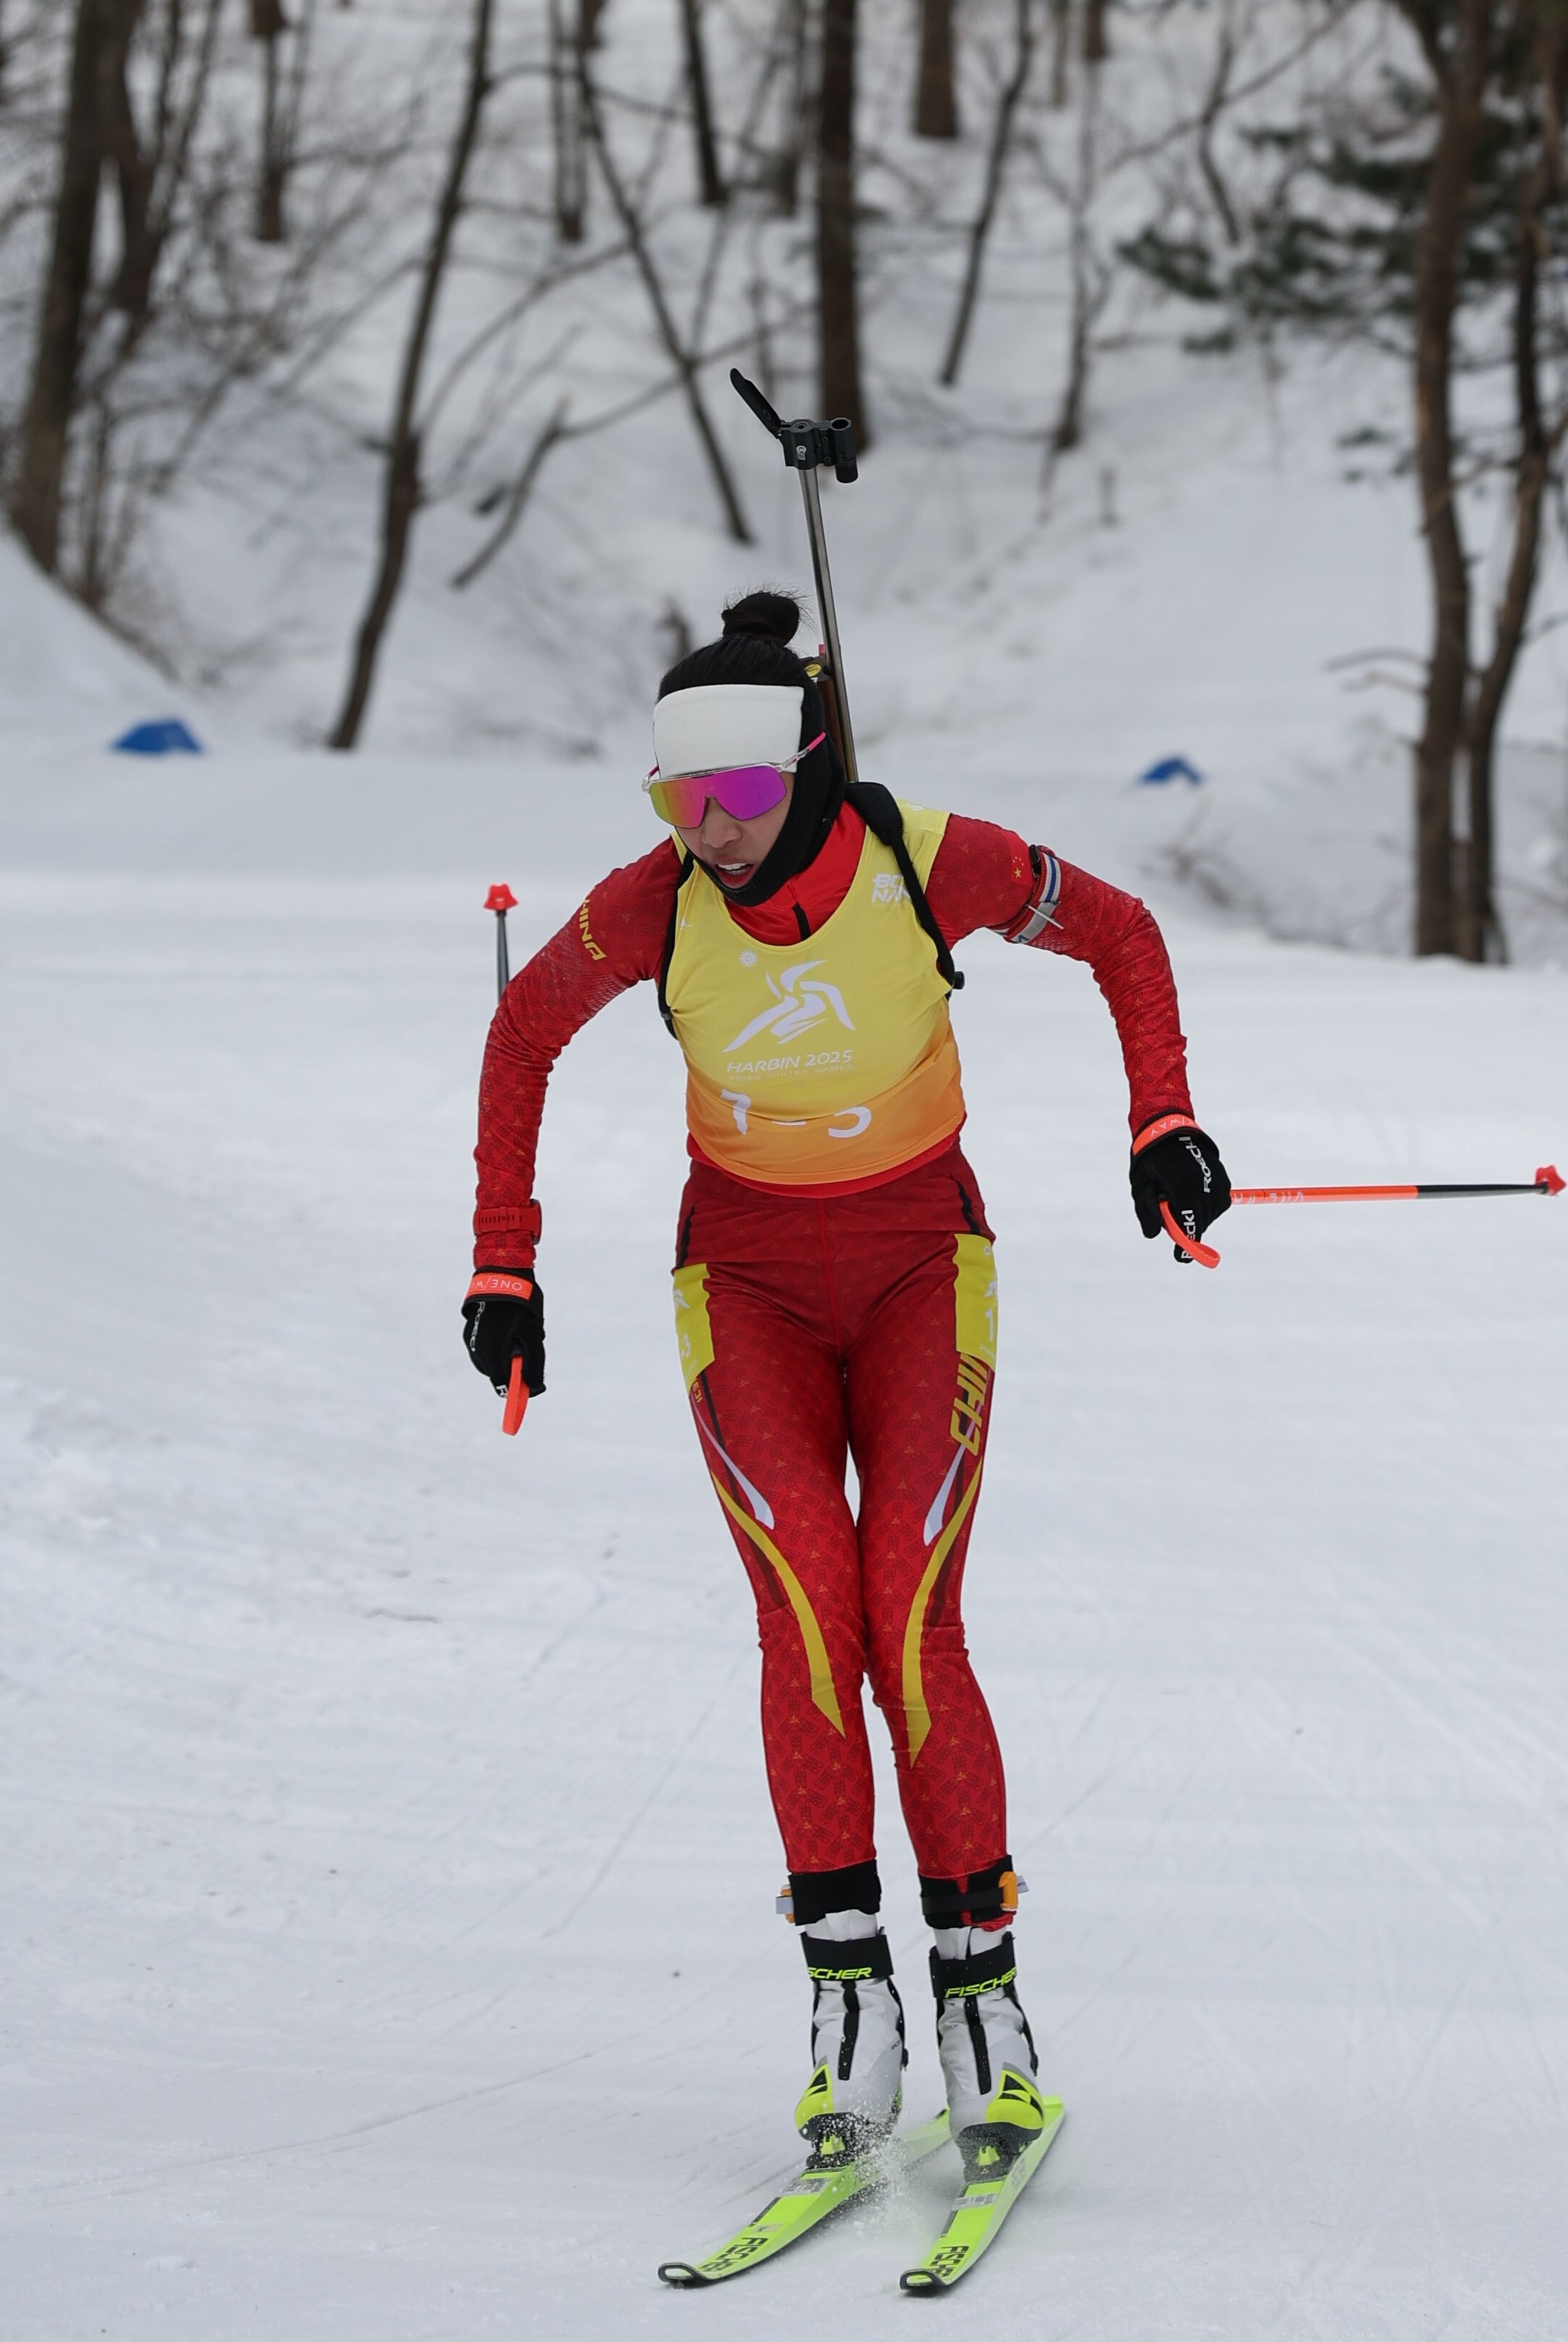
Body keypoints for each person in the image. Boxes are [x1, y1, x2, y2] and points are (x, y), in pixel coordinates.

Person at [462, 587, 1233, 2176]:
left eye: (740, 794)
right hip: (741, 1284)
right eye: (678, 800)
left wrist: (1160, 1118)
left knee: (909, 1610)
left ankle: (983, 2006)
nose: (710, 832)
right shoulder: (651, 906)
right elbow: (521, 1037)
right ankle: (848, 2004)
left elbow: (1123, 935)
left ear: (811, 767)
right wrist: (503, 1264)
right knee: (809, 1614)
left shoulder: (929, 861)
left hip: (917, 1270)